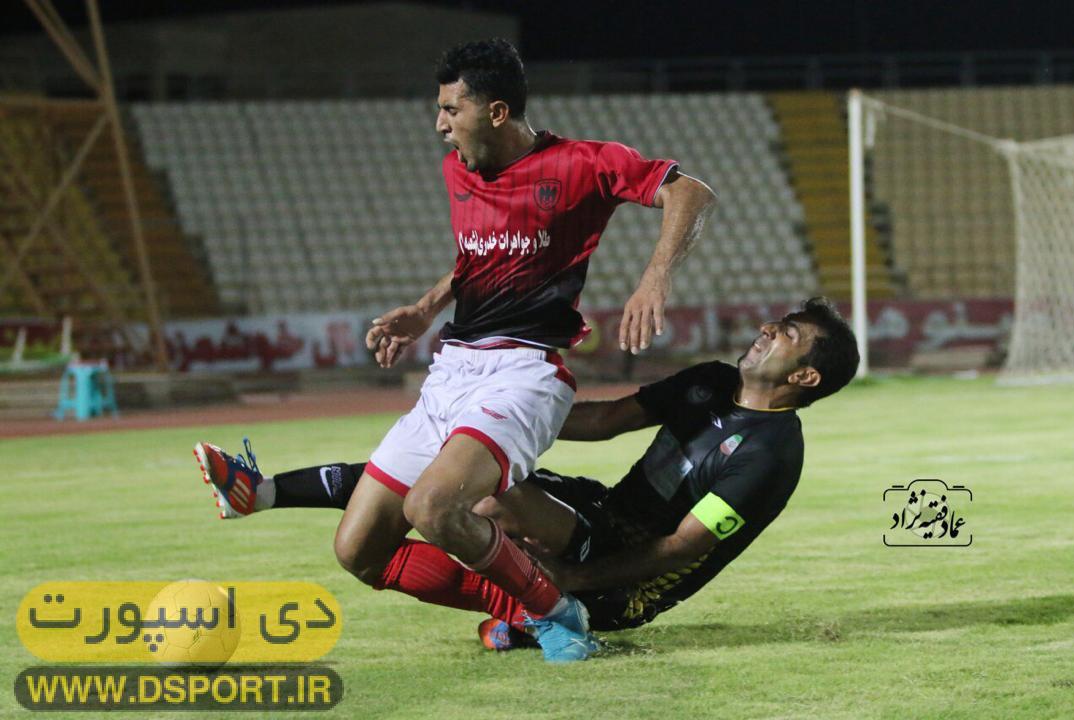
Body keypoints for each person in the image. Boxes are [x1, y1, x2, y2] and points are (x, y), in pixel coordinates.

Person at [195, 38, 717, 663]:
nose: (440, 125)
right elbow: (479, 257)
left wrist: (654, 276)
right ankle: (521, 601)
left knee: (435, 507)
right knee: (357, 551)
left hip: (524, 373)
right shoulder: (459, 171)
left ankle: (560, 615)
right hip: (451, 371)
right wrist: (424, 309)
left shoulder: (582, 163)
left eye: (450, 110)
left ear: (496, 112)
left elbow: (691, 192)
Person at [196, 298, 859, 652]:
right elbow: (607, 420)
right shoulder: (711, 381)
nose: (769, 328)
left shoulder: (771, 455)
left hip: (628, 577)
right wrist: (500, 417)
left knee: (482, 496)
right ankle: (265, 492)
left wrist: (574, 579)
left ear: (805, 378)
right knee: (459, 467)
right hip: (600, 514)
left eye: (790, 334)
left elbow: (684, 546)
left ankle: (540, 608)